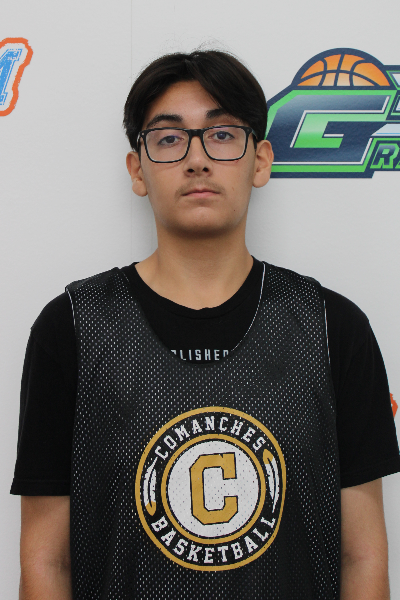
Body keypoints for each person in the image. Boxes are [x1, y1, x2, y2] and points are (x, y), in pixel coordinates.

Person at [12, 49, 400, 600]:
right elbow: (46, 562)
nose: (197, 159)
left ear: (260, 161)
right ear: (137, 170)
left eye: (221, 135)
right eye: (170, 138)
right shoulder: (72, 327)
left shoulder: (333, 327)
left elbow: (362, 557)